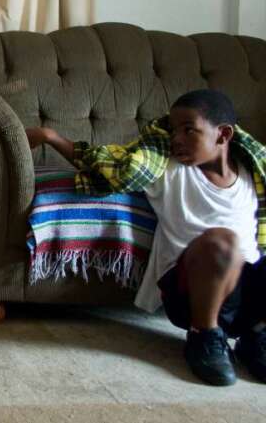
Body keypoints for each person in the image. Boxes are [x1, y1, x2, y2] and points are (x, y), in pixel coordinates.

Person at [26, 89, 266, 387]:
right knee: (223, 242)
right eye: (173, 130)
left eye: (188, 130)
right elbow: (107, 165)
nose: (176, 138)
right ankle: (203, 335)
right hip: (191, 289)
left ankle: (256, 334)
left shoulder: (251, 174)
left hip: (246, 293)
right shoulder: (168, 169)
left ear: (223, 135)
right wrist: (50, 136)